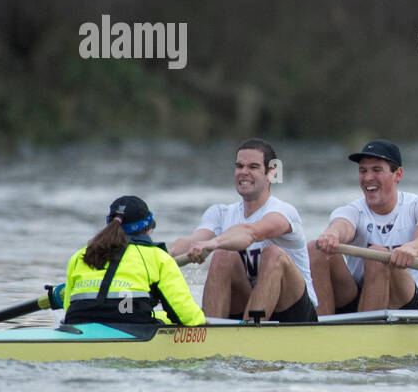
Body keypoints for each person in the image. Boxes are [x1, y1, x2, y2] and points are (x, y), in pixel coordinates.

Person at [171, 138, 318, 323]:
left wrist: (214, 243)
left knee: (273, 254)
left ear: (271, 173)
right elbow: (191, 241)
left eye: (253, 167)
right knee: (223, 256)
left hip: (293, 311)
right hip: (249, 304)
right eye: (239, 166)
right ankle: (209, 336)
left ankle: (248, 336)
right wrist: (161, 254)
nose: (244, 173)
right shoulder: (220, 212)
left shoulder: (284, 212)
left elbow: (251, 233)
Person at [310, 139, 418, 313]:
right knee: (315, 248)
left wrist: (411, 249)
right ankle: (319, 331)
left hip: (412, 302)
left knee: (378, 256)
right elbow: (342, 225)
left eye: (376, 170)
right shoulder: (353, 210)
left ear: (398, 175)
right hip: (361, 296)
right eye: (363, 171)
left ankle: (366, 335)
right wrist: (332, 234)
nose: (368, 178)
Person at [64, 195, 205, 326]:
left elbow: (67, 307)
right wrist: (204, 323)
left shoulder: (80, 255)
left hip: (77, 324)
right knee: (163, 318)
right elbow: (185, 315)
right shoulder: (158, 257)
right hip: (131, 326)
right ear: (147, 228)